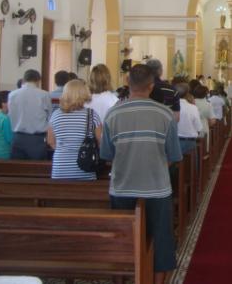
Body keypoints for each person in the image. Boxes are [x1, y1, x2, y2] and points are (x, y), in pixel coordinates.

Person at [100, 64, 182, 284]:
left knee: (121, 241)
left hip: (122, 187)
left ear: (128, 83)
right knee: (162, 243)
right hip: (157, 188)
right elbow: (174, 155)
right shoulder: (165, 113)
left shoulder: (113, 113)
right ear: (151, 85)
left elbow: (106, 155)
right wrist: (155, 167)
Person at [48, 80, 102, 180]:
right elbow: (100, 142)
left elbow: (51, 141)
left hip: (60, 168)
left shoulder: (55, 115)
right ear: (84, 93)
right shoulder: (91, 115)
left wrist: (65, 150)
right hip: (85, 167)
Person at [8, 69, 52, 160]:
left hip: (17, 137)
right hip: (37, 139)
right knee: (37, 170)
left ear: (23, 79)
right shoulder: (44, 95)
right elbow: (50, 116)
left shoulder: (12, 94)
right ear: (38, 80)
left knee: (17, 170)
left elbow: (10, 114)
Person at [175, 83, 202, 154]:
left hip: (173, 142)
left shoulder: (169, 106)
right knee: (192, 163)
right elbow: (198, 128)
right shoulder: (193, 108)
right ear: (187, 93)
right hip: (189, 142)